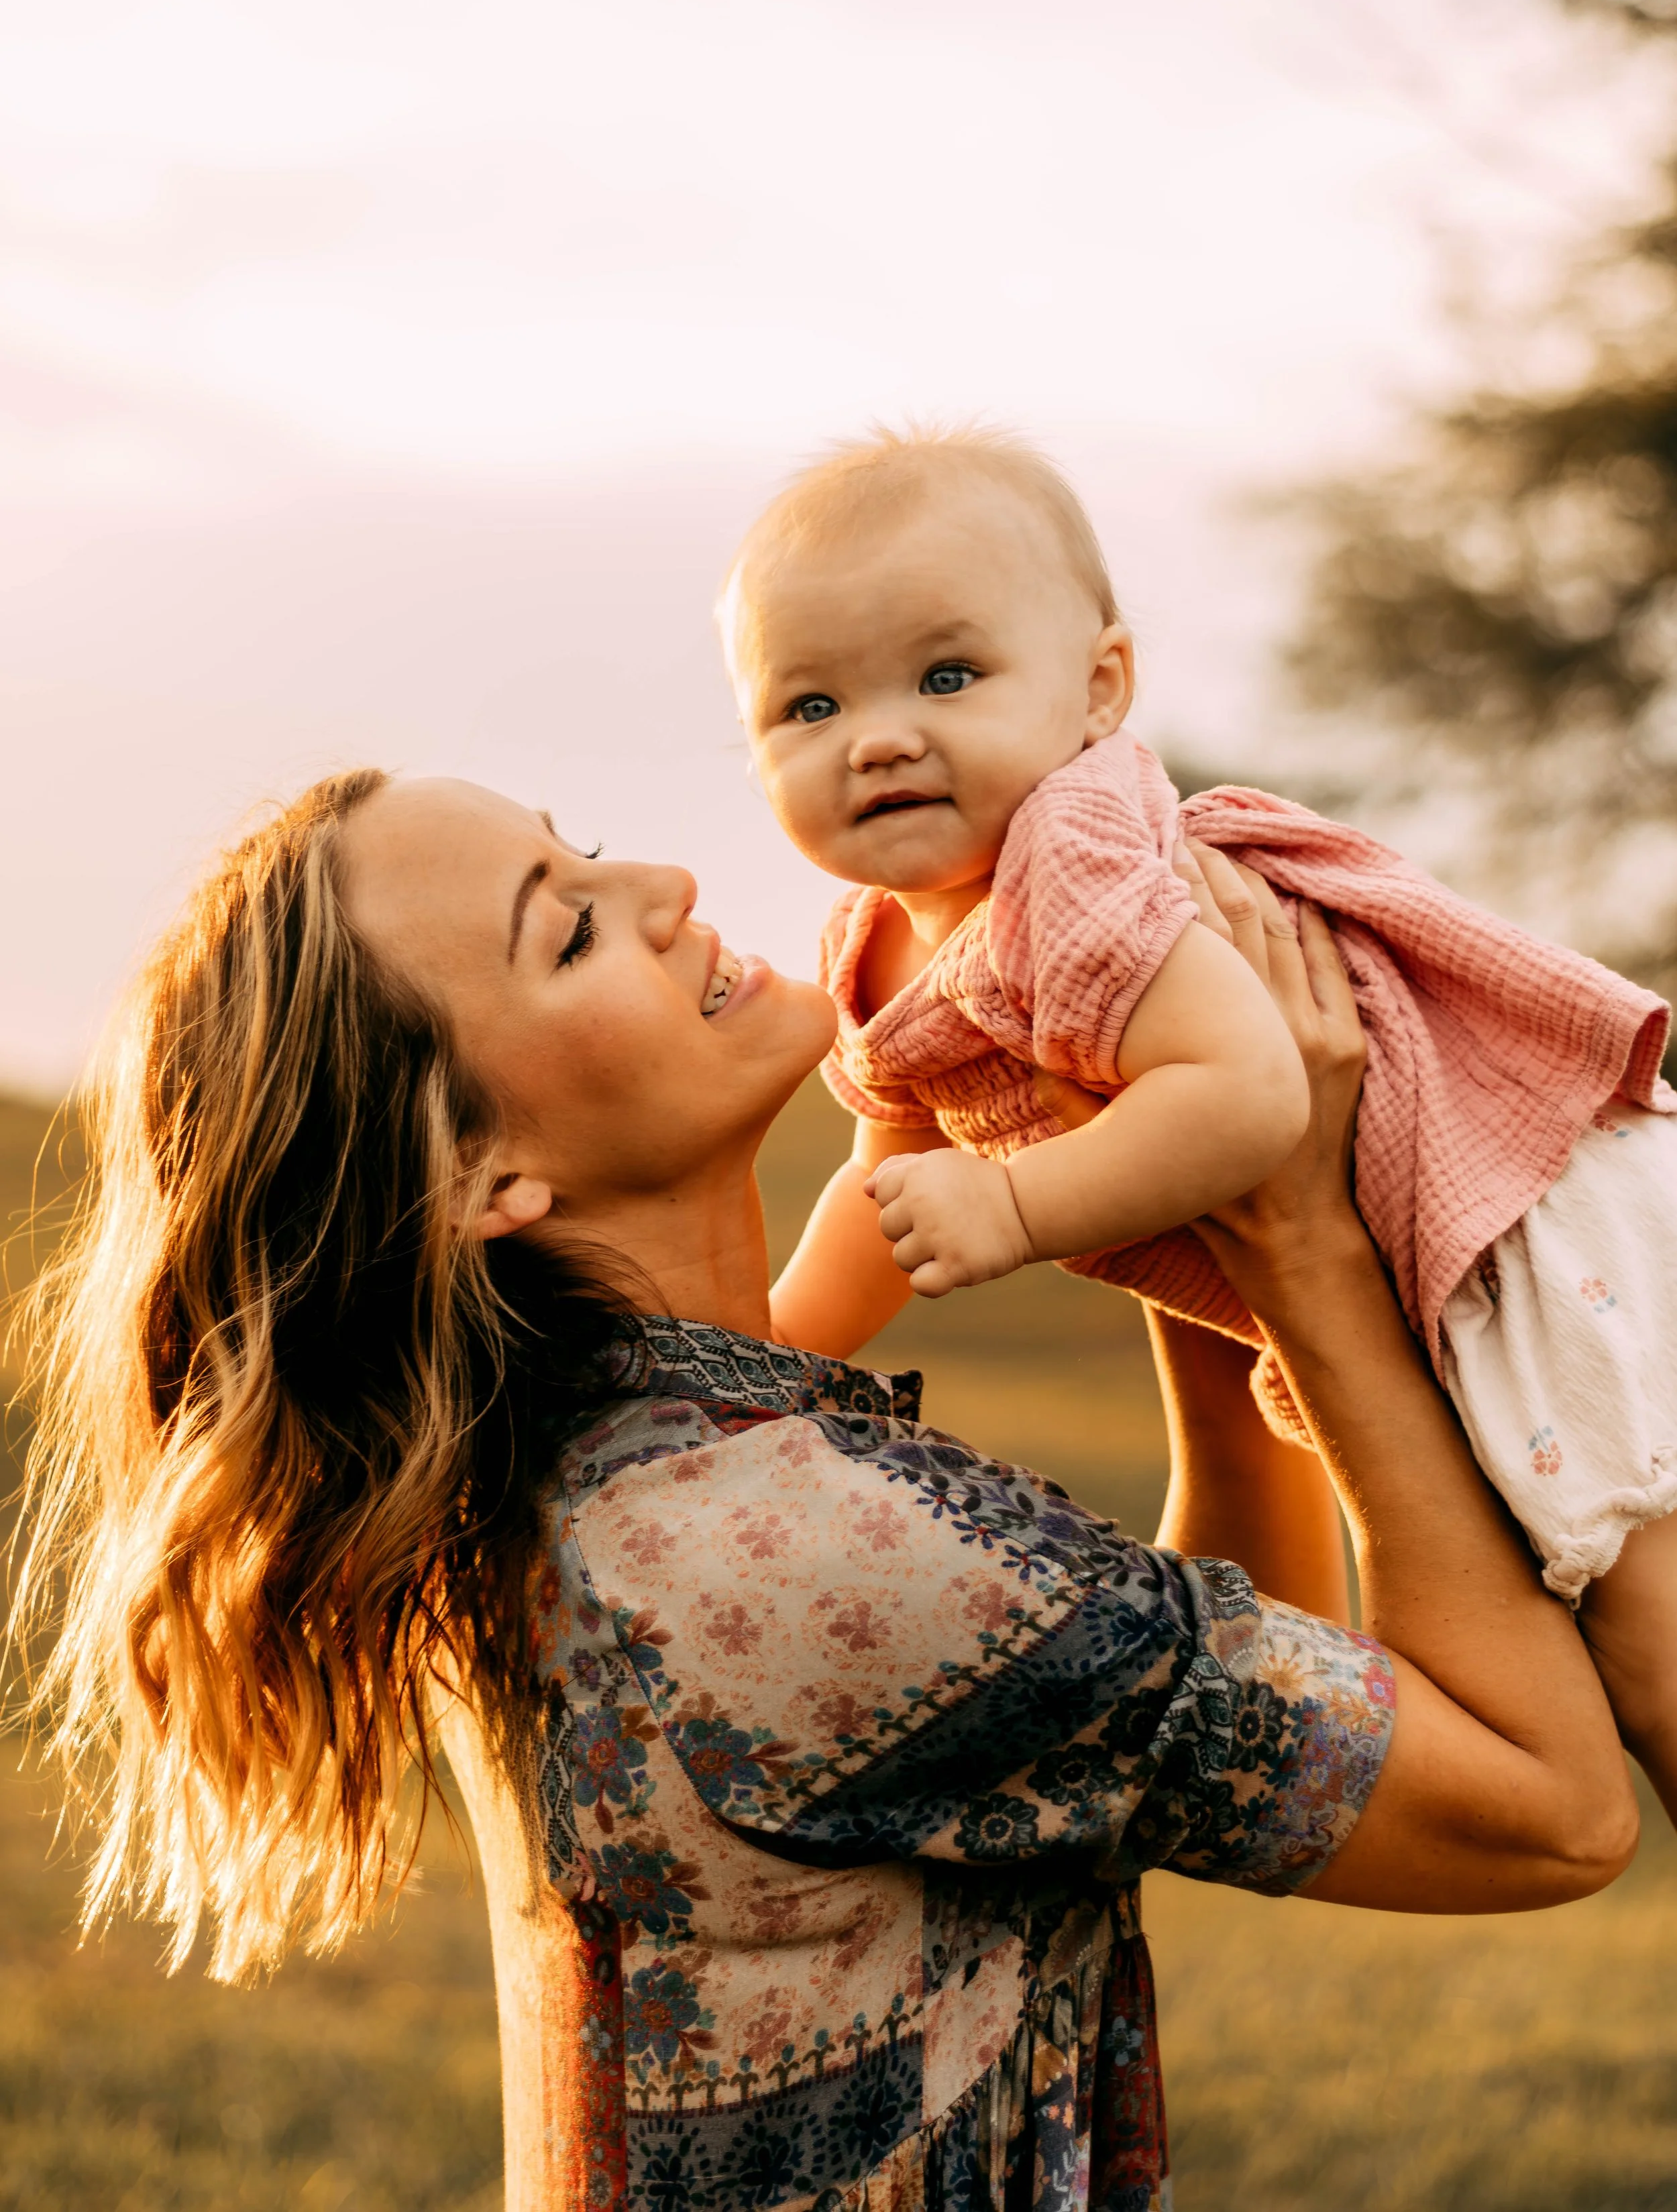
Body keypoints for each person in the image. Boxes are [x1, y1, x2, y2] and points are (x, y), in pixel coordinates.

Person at [19, 769, 1636, 2212]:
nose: (665, 893)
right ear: (480, 1176)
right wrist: (1307, 1246)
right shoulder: (785, 1546)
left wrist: (1187, 1194)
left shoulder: (592, 1488)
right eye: (568, 932)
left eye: (587, 847)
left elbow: (1178, 1703)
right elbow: (1544, 1816)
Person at [720, 421, 1677, 1818]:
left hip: (1524, 1212)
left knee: (1647, 1630)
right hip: (1441, 1253)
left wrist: (1016, 1204)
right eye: (808, 707)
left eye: (947, 675)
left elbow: (1241, 1097)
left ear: (1097, 688)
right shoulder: (874, 937)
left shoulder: (1075, 858)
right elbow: (886, 1172)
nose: (878, 737)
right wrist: (775, 1347)